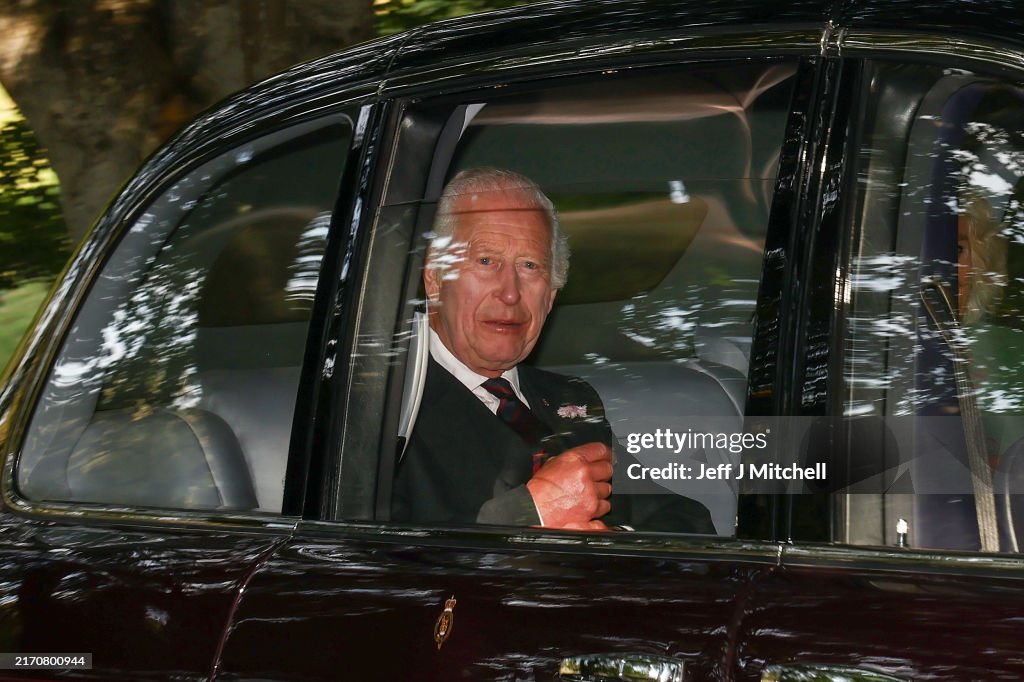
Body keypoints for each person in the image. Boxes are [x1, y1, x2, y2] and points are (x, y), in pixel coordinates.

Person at [391, 167, 712, 532]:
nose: (510, 292)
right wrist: (531, 516)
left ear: (552, 296)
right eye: (486, 261)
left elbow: (686, 521)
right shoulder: (383, 409)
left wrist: (609, 547)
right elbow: (369, 563)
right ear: (434, 278)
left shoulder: (568, 398)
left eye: (530, 266)